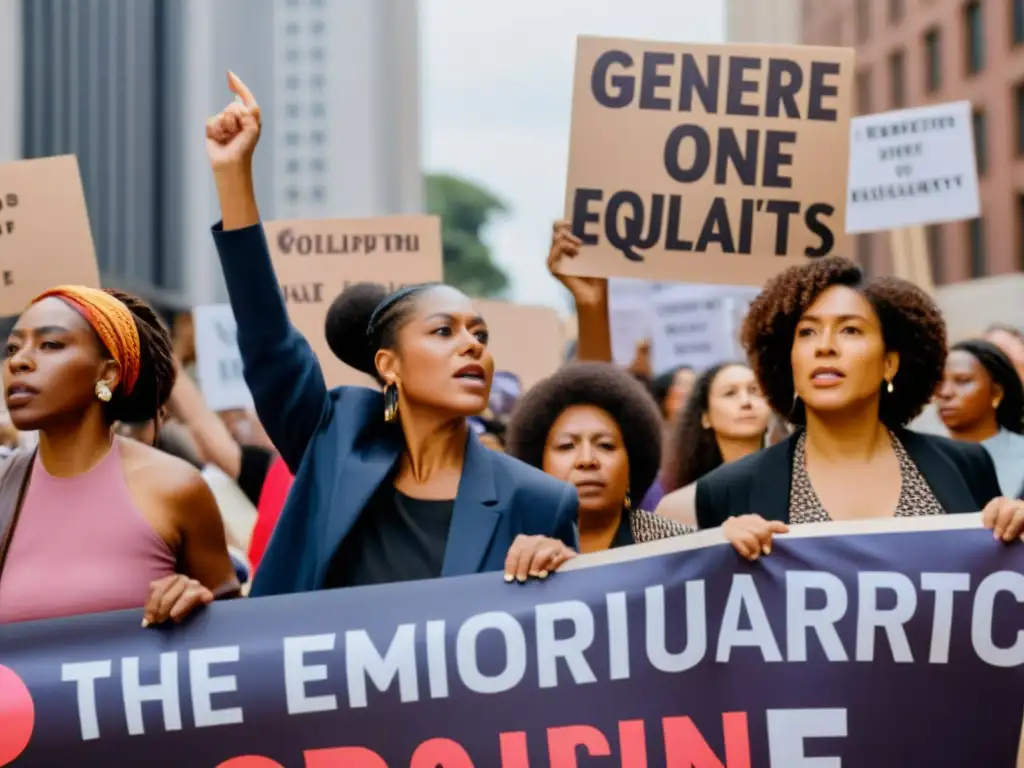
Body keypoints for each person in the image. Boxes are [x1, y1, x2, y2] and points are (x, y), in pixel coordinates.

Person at [206, 73, 577, 594]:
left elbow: (572, 644)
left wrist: (563, 569)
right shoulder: (335, 439)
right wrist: (232, 176)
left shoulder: (537, 499)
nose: (472, 345)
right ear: (388, 364)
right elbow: (269, 342)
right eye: (443, 330)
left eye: (480, 335)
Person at [690, 258, 1024, 558]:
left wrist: (1013, 530)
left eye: (850, 330)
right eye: (807, 332)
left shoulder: (966, 465)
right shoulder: (726, 491)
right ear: (788, 361)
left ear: (889, 364)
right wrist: (714, 554)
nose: (824, 347)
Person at [0, 286, 237, 625]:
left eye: (50, 344)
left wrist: (195, 601)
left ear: (107, 373)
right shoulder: (4, 486)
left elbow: (239, 637)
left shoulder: (175, 487)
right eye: (12, 347)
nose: (19, 361)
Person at [506, 361, 691, 553]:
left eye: (605, 445)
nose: (587, 460)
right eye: (566, 446)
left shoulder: (678, 549)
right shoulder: (509, 552)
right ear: (537, 465)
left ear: (632, 465)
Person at [651, 362, 769, 521]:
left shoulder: (798, 483)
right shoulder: (679, 507)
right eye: (730, 393)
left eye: (754, 391)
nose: (746, 401)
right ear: (706, 417)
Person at [936, 339, 1024, 497]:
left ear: (996, 393)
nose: (945, 393)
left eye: (962, 381)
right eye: (939, 382)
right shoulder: (924, 455)